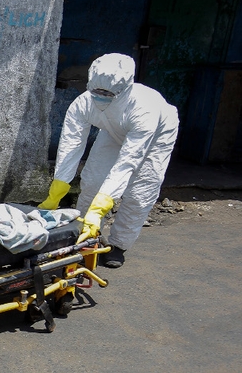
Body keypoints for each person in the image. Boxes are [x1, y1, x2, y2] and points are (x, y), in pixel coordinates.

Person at [39, 53, 179, 268]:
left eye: (108, 93)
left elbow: (127, 162)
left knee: (140, 192)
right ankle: (85, 237)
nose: (101, 96)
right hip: (113, 131)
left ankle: (118, 245)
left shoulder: (143, 109)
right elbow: (71, 145)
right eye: (97, 91)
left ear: (124, 88)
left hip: (155, 136)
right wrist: (57, 189)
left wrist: (100, 208)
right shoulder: (84, 103)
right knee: (93, 180)